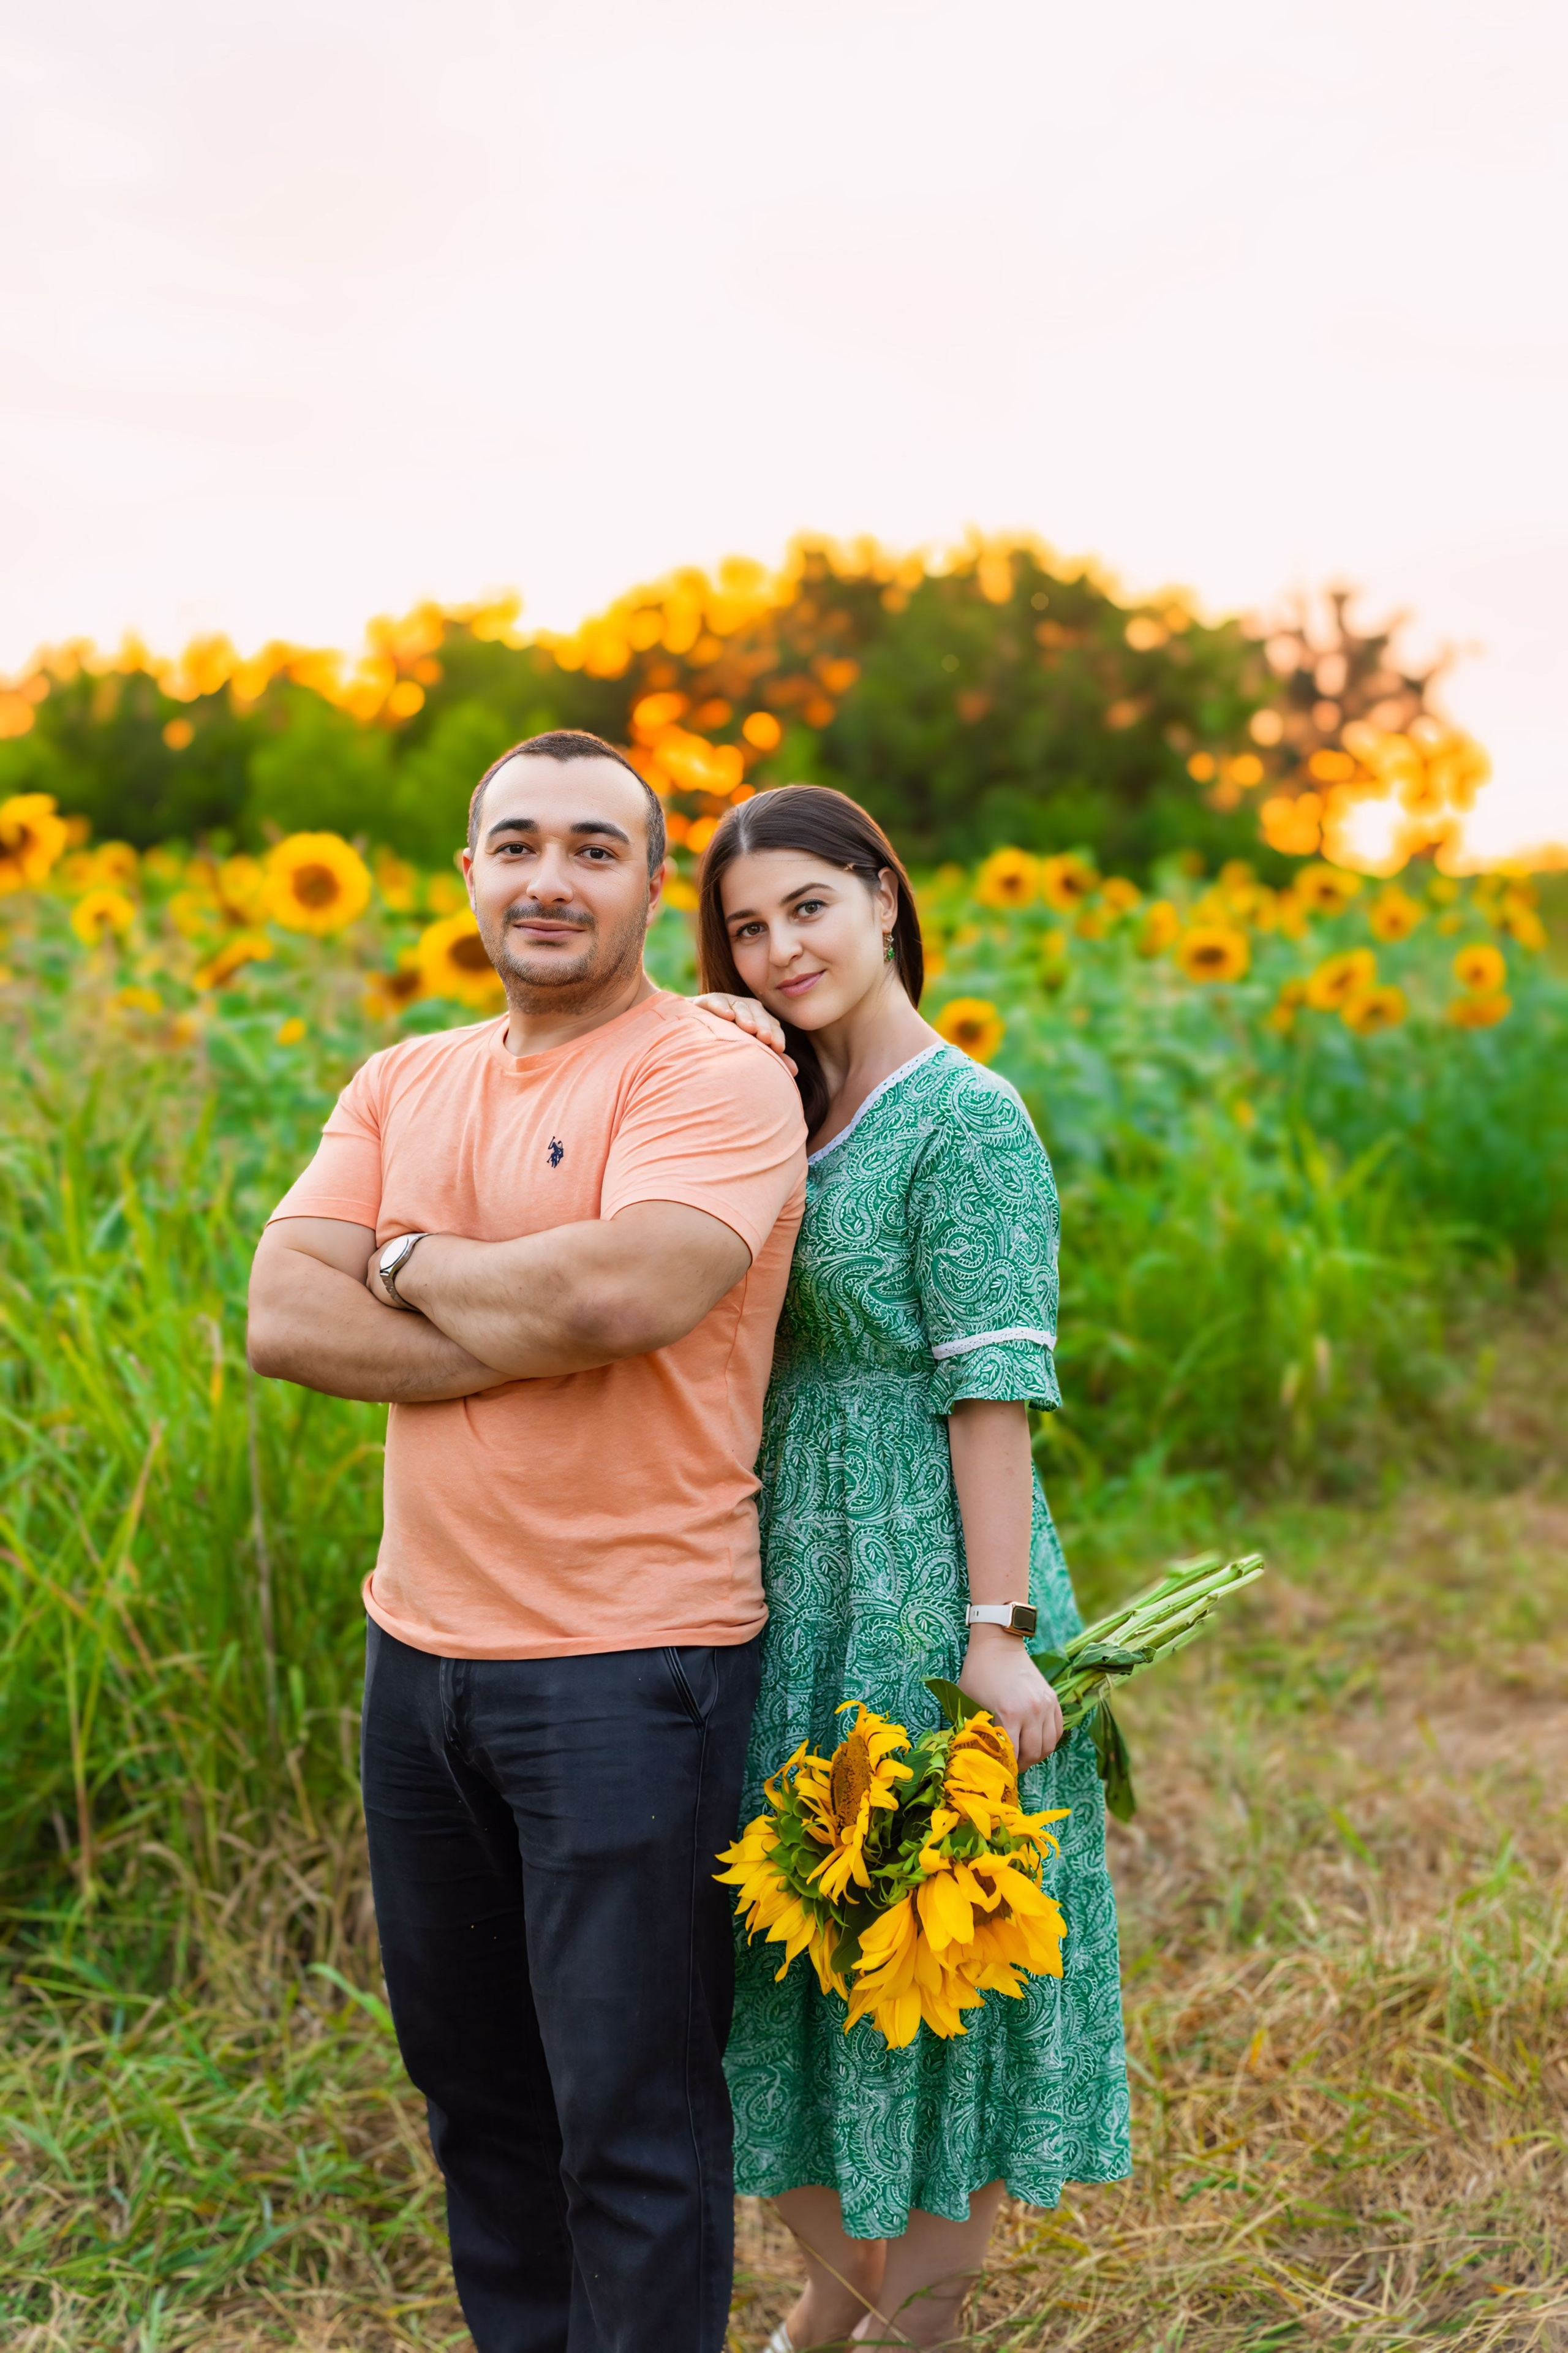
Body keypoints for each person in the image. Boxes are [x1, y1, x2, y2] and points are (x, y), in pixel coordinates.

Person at [246, 730, 808, 2353]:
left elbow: (626, 1293)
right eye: (518, 845)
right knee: (478, 2101)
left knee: (631, 2121)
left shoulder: (710, 1072)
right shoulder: (399, 1077)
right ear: (471, 873)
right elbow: (283, 1315)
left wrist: (402, 1257)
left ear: (652, 885)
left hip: (633, 1664)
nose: (549, 879)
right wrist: (530, 1313)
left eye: (592, 849)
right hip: (418, 1659)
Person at [695, 785, 1131, 2350]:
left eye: (807, 906)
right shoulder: (781, 1102)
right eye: (746, 928)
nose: (779, 948)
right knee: (799, 1945)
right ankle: (838, 2312)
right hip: (789, 1575)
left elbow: (991, 1387)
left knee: (926, 1943)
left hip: (928, 1576)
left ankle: (915, 2326)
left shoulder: (965, 1115)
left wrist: (992, 1630)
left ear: (883, 896)